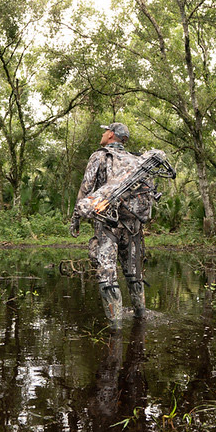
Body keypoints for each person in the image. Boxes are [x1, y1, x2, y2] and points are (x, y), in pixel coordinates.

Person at [70, 122, 155, 325]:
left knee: (107, 277)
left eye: (105, 131)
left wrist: (76, 217)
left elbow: (86, 189)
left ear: (110, 135)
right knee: (134, 275)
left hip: (107, 225)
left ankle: (115, 328)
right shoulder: (138, 161)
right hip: (134, 227)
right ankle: (141, 319)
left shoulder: (99, 156)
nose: (103, 133)